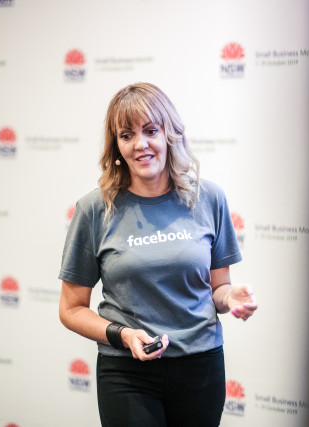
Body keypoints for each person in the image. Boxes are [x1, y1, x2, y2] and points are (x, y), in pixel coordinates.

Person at [58, 82, 257, 427]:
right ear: (117, 146)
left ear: (170, 135)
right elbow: (71, 309)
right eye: (127, 135)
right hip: (127, 372)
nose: (140, 144)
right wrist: (123, 335)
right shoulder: (94, 209)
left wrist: (230, 296)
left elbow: (218, 289)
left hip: (201, 366)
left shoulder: (209, 199)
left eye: (151, 130)